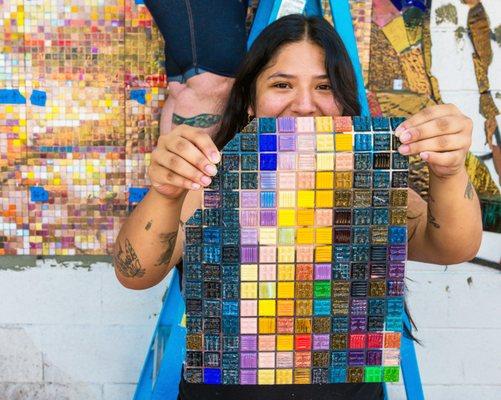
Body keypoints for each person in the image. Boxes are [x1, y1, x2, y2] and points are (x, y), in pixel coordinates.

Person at [113, 14, 483, 400]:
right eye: (281, 84)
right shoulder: (209, 180)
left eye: (324, 86)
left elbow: (453, 246)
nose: (305, 105)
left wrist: (450, 171)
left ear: (343, 102)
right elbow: (133, 273)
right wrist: (166, 192)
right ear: (251, 102)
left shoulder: (369, 183)